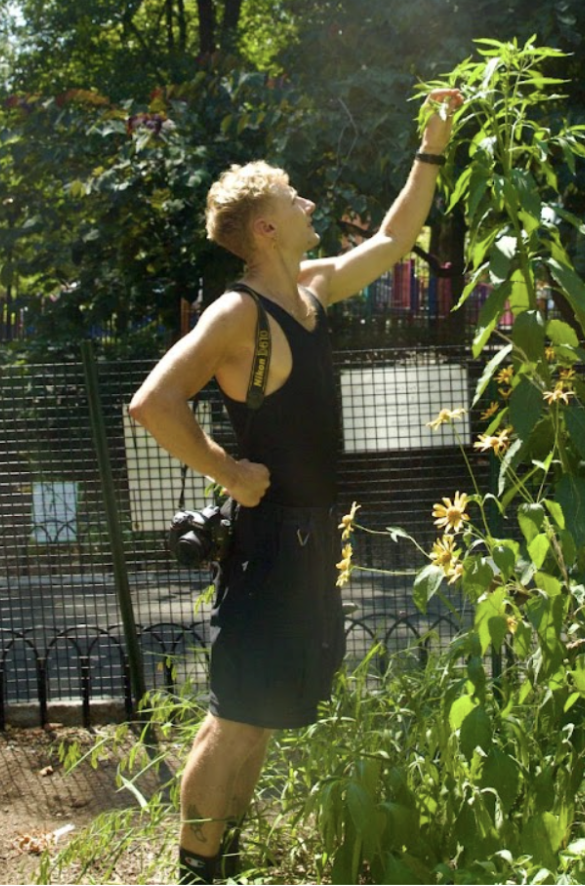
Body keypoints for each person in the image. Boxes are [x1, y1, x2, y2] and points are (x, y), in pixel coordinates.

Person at [128, 87, 462, 884]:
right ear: (266, 227)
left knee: (264, 717)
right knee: (237, 717)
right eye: (294, 195)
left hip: (312, 534)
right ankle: (193, 872)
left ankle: (224, 860)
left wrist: (433, 144)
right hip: (271, 539)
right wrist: (230, 473)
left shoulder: (308, 292)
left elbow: (392, 237)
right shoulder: (237, 315)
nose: (310, 200)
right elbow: (153, 402)